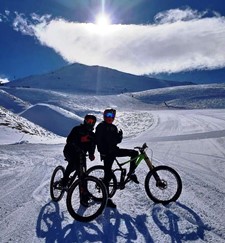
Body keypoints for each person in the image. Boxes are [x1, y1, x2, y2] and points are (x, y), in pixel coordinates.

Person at [95, 108, 139, 208]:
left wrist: (119, 137)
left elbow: (115, 142)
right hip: (107, 154)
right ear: (104, 116)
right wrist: (103, 152)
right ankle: (106, 199)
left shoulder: (113, 128)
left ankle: (131, 173)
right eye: (107, 115)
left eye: (111, 116)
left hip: (114, 150)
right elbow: (98, 141)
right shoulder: (101, 127)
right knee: (108, 175)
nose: (109, 118)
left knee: (134, 153)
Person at [60, 114, 96, 206]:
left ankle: (84, 195)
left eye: (92, 122)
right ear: (85, 121)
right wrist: (80, 139)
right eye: (88, 121)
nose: (90, 123)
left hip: (82, 154)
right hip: (70, 151)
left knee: (83, 175)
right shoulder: (77, 129)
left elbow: (92, 145)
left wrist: (91, 154)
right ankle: (64, 181)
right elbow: (69, 140)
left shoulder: (92, 134)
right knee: (73, 163)